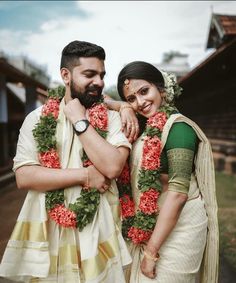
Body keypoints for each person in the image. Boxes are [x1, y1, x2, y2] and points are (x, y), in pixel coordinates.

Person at [0, 40, 133, 283]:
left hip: (96, 228)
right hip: (49, 229)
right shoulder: (37, 118)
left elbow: (113, 166)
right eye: (90, 74)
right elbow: (24, 176)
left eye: (102, 75)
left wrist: (80, 121)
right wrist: (85, 176)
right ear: (66, 75)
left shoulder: (114, 118)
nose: (100, 82)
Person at [106, 61, 219, 283]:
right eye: (131, 98)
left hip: (182, 225)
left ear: (160, 87)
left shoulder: (179, 129)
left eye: (144, 91)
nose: (140, 102)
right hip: (153, 224)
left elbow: (178, 195)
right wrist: (122, 107)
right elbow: (101, 100)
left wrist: (151, 252)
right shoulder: (143, 126)